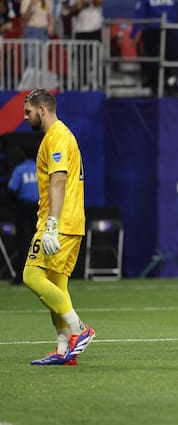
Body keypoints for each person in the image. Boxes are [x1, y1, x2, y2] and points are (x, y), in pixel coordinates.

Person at [22, 88, 95, 366]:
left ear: (42, 110)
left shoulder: (58, 136)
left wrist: (51, 225)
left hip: (60, 222)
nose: (25, 117)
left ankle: (79, 329)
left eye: (28, 112)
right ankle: (64, 349)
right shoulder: (55, 137)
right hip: (67, 221)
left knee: (31, 275)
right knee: (56, 284)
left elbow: (59, 180)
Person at [8, 147, 39, 285]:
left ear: (23, 155)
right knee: (40, 242)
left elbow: (12, 189)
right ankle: (43, 275)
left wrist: (17, 205)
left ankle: (21, 276)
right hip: (40, 208)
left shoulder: (20, 170)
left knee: (23, 242)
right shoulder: (40, 169)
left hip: (24, 209)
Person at [21, 0, 54, 68]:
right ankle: (30, 79)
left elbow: (50, 17)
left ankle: (40, 79)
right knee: (30, 59)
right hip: (30, 32)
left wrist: (51, 26)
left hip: (43, 32)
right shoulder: (26, 1)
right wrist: (31, 5)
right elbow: (24, 19)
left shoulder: (46, 1)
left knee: (42, 60)